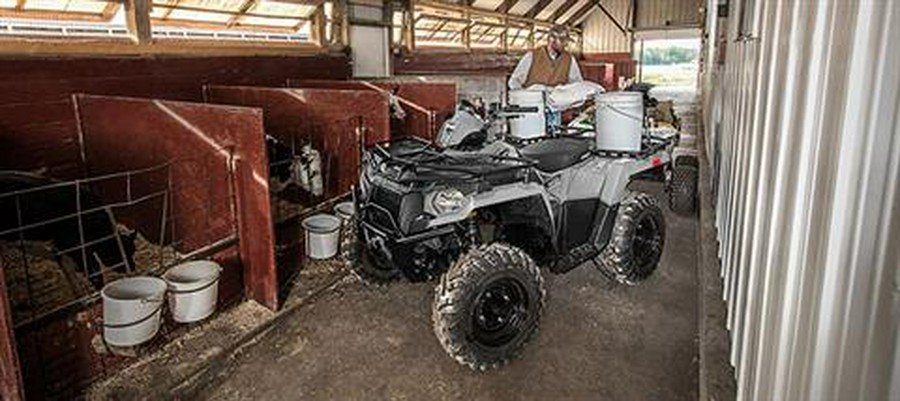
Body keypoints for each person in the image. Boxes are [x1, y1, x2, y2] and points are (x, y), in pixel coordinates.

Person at [508, 26, 583, 91]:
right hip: (534, 101)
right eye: (562, 41)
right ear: (551, 40)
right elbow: (514, 81)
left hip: (558, 103)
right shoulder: (531, 56)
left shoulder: (569, 59)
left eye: (566, 42)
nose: (565, 45)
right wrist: (524, 97)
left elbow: (577, 82)